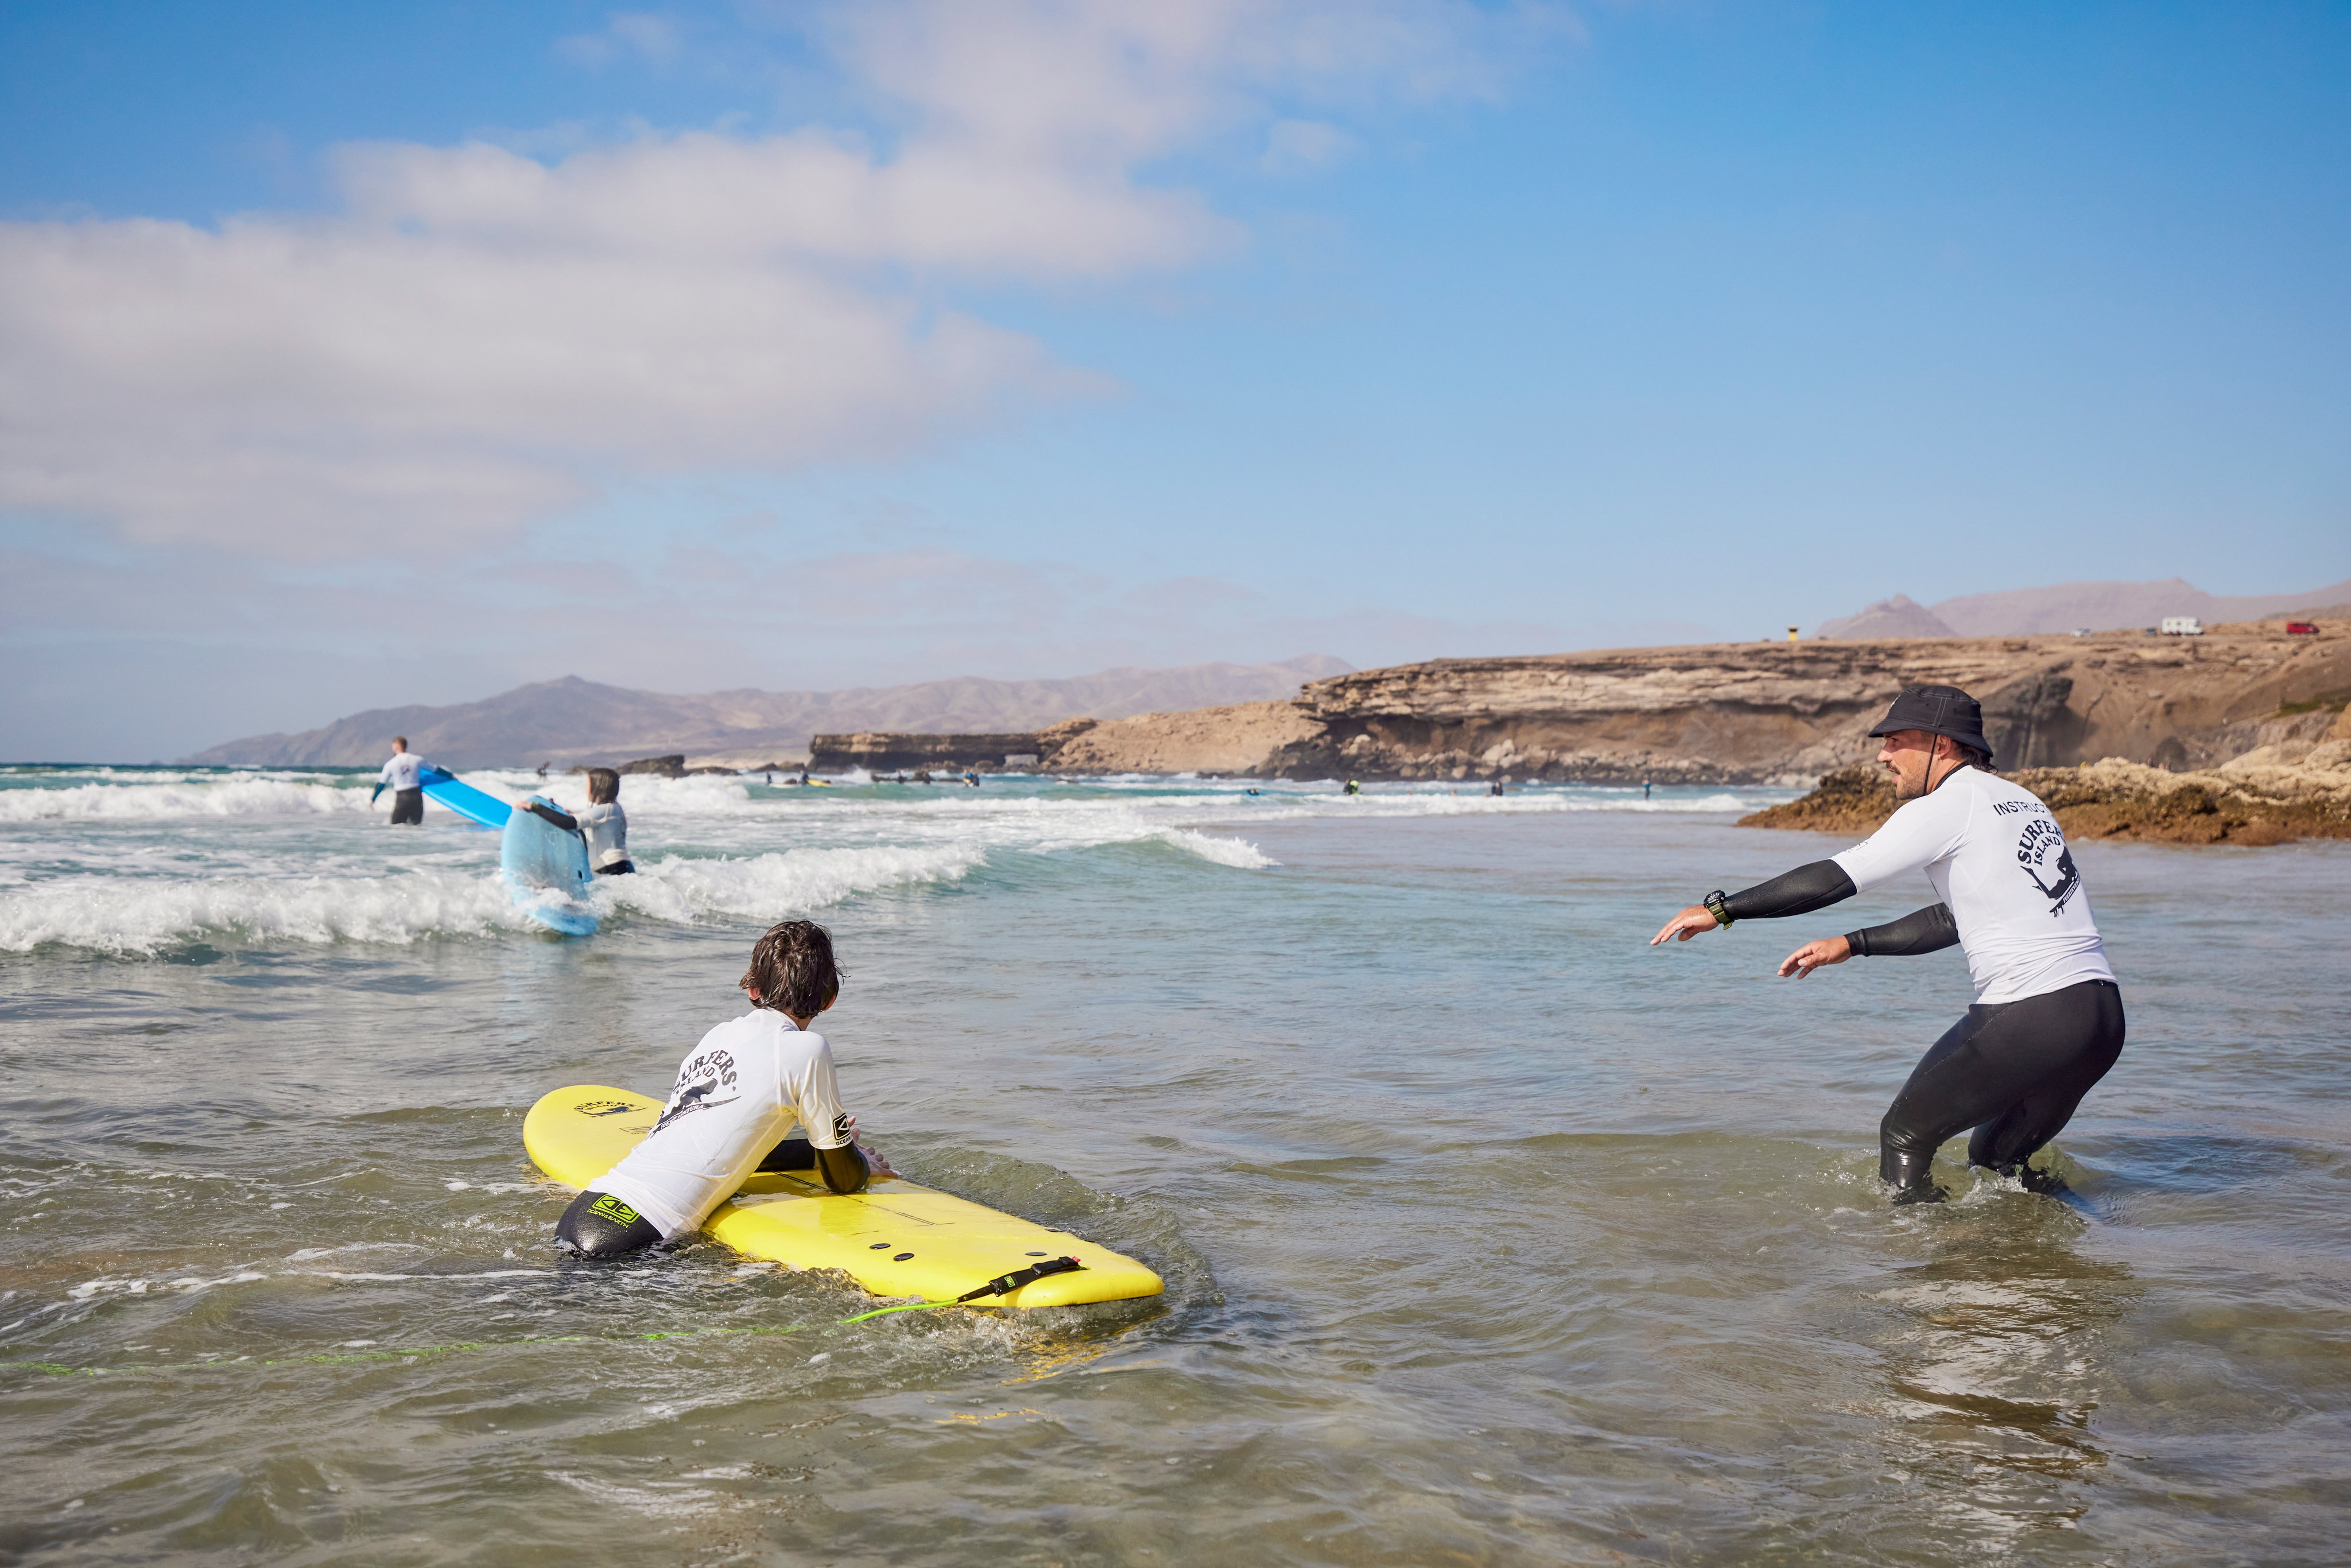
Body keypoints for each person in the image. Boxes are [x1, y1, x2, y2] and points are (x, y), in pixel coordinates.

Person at [1648, 685, 2123, 1204]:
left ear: (1941, 746)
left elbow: (1836, 877)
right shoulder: (2021, 802)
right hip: (2099, 1018)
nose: (1882, 755)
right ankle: (2082, 1252)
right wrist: (1853, 944)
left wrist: (1722, 909)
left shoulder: (1949, 804)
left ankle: (1921, 1270)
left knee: (1904, 1135)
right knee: (1997, 1160)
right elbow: (1957, 917)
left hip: (2035, 1012)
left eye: (1896, 741)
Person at [556, 920, 895, 1257]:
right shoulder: (807, 1050)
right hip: (641, 1235)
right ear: (830, 998)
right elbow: (845, 1182)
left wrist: (817, 1154)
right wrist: (853, 1159)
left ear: (753, 989)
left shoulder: (717, 1036)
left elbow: (717, 1150)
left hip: (586, 1210)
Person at [577, 767, 633, 876]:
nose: (585, 789)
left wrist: (537, 808)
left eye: (587, 785)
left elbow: (570, 822)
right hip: (622, 866)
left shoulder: (605, 810)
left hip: (610, 867)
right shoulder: (615, 808)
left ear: (597, 787)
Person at [371, 736, 429, 825]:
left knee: (396, 828)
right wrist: (450, 776)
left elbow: (382, 784)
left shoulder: (390, 764)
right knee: (417, 828)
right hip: (417, 798)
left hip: (402, 799)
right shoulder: (418, 760)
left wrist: (373, 799)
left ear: (396, 747)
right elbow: (436, 770)